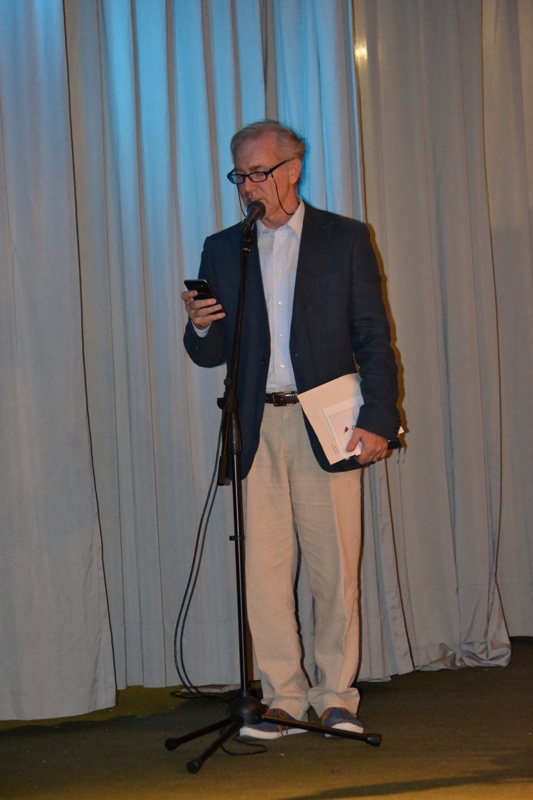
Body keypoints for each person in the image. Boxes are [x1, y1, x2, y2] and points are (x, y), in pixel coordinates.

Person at [183, 120, 400, 740]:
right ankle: (284, 698)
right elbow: (210, 352)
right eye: (240, 176)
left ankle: (337, 697)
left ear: (294, 168)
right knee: (266, 574)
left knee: (335, 571)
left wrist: (379, 418)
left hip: (327, 424)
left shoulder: (344, 238)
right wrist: (200, 324)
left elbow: (373, 336)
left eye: (260, 172)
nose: (249, 186)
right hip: (255, 425)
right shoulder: (224, 248)